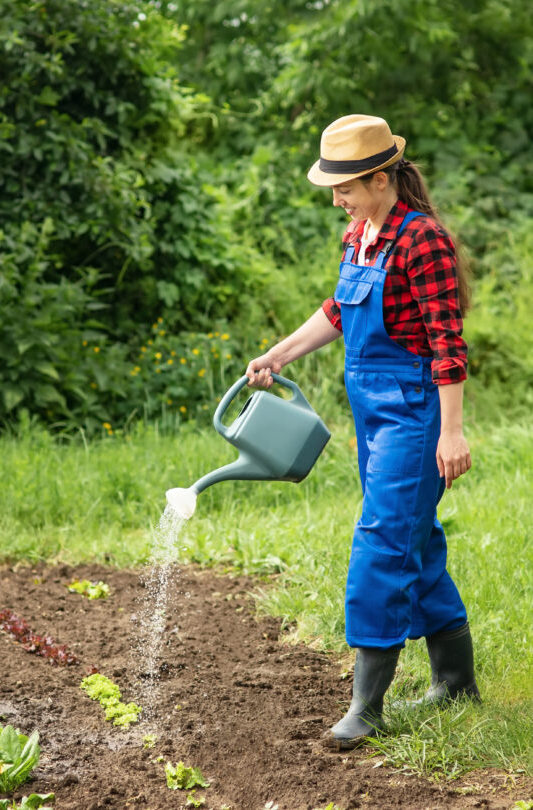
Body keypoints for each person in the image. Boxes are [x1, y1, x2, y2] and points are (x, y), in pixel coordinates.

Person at [245, 114, 480, 750]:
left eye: (345, 185)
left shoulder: (420, 239)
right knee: (415, 537)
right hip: (374, 417)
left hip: (415, 411)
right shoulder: (361, 235)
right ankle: (456, 682)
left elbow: (446, 342)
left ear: (380, 178)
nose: (336, 197)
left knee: (380, 541)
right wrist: (280, 354)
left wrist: (451, 433)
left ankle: (366, 706)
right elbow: (337, 310)